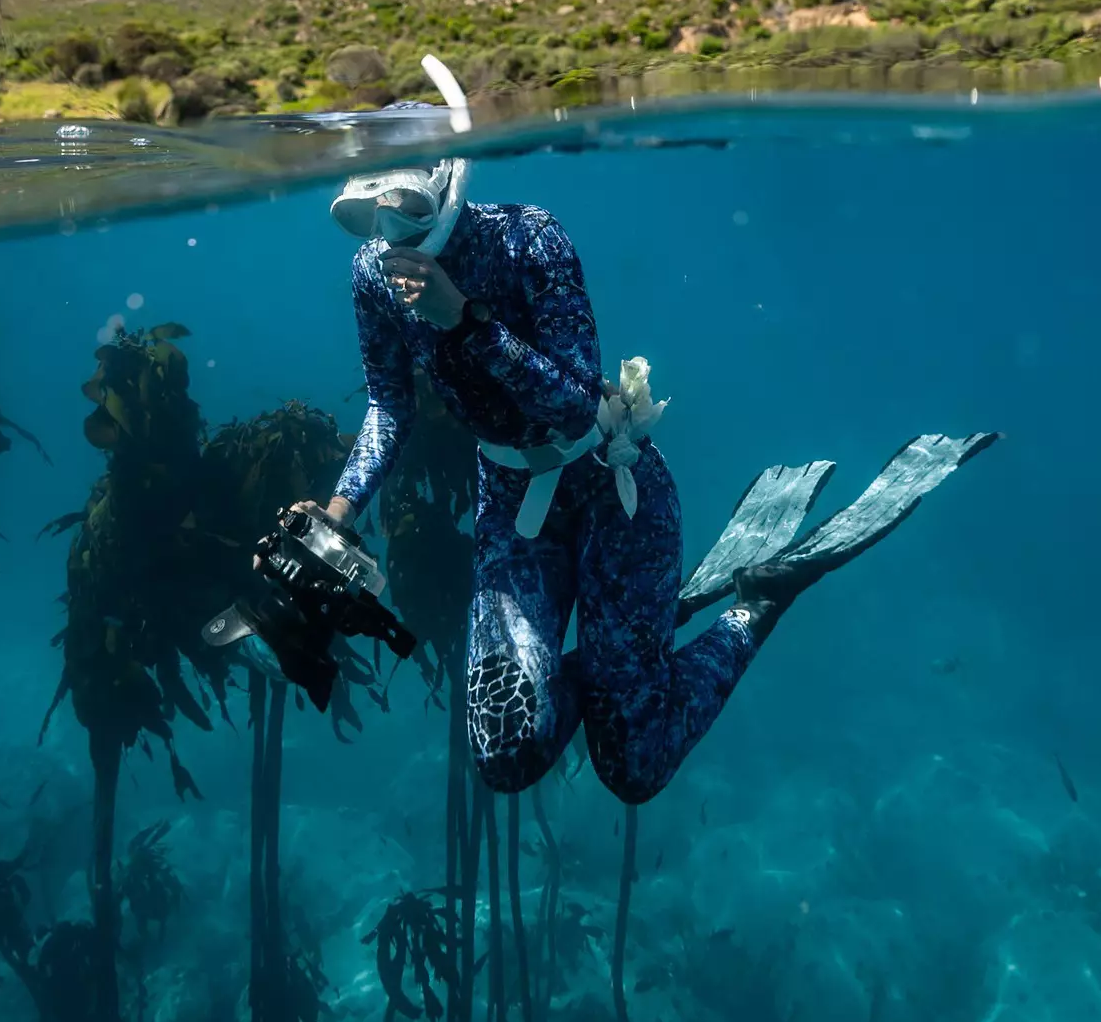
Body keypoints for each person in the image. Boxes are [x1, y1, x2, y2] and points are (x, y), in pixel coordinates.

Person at [322, 68, 994, 807]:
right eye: (367, 217)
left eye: (407, 206)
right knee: (506, 755)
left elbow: (577, 405)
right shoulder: (372, 279)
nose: (390, 233)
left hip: (614, 492)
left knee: (633, 766)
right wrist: (340, 511)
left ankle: (754, 607)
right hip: (512, 505)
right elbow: (389, 405)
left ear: (447, 179)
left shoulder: (528, 238)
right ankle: (628, 652)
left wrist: (470, 322)